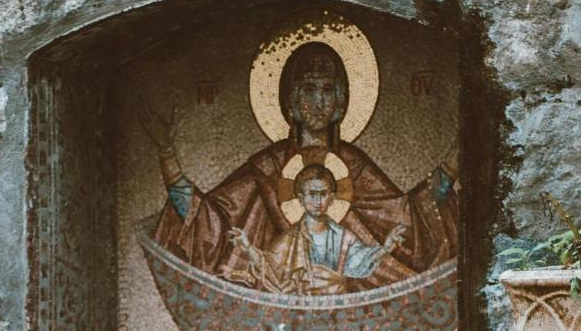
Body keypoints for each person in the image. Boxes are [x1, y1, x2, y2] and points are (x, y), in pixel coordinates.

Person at [144, 40, 455, 288]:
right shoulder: (267, 166)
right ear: (290, 100)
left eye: (326, 90)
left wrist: (457, 157)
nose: (318, 103)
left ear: (340, 100)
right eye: (308, 90)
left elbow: (407, 216)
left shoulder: (355, 166)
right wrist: (167, 154)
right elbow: (209, 221)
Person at [230, 162, 411, 292]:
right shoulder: (290, 238)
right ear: (301, 199)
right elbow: (272, 264)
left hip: (337, 303)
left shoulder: (342, 236)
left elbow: (358, 261)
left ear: (331, 198)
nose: (317, 202)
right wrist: (246, 248)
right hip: (303, 306)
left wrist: (386, 248)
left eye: (323, 194)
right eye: (312, 195)